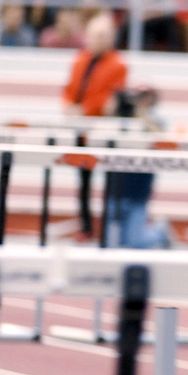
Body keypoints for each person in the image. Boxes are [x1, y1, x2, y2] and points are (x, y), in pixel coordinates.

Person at [62, 14, 126, 239]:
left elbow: (109, 99)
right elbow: (69, 89)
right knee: (83, 179)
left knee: (110, 180)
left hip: (103, 131)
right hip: (81, 129)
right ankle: (86, 226)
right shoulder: (79, 60)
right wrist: (69, 106)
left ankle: (110, 227)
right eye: (96, 35)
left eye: (104, 35)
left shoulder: (118, 64)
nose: (99, 40)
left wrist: (84, 110)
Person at [105, 86, 171, 249]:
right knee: (111, 242)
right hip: (116, 185)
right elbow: (103, 128)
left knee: (135, 242)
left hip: (138, 189)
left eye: (144, 97)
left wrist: (141, 115)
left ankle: (160, 231)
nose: (139, 101)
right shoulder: (120, 120)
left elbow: (160, 139)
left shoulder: (156, 121)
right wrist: (114, 109)